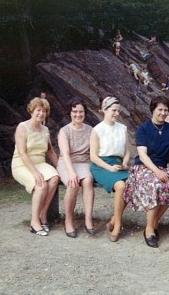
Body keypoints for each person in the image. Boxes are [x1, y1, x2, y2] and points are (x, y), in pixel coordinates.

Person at [124, 96, 169, 248]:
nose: (163, 113)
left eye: (166, 110)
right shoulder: (143, 129)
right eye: (160, 109)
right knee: (155, 185)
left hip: (162, 167)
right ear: (153, 110)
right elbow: (142, 155)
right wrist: (156, 171)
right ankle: (149, 229)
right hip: (144, 167)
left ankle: (154, 222)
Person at [11, 97, 59, 236]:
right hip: (22, 163)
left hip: (40, 163)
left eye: (44, 111)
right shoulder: (22, 127)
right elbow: (22, 152)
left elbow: (50, 151)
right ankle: (34, 222)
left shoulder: (45, 130)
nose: (41, 113)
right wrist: (35, 173)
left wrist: (61, 168)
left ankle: (43, 215)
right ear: (31, 111)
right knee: (41, 184)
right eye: (38, 110)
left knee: (55, 178)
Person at [90, 96, 130, 242]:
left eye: (118, 111)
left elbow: (126, 152)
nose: (116, 114)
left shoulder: (122, 129)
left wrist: (125, 163)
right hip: (101, 165)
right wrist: (109, 167)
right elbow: (93, 156)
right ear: (104, 110)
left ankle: (113, 219)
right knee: (121, 186)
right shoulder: (97, 130)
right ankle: (118, 224)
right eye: (113, 110)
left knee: (133, 183)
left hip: (118, 164)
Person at [57, 100, 94, 238]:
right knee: (73, 184)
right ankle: (68, 221)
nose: (78, 114)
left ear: (84, 113)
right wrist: (71, 172)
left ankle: (88, 219)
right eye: (75, 112)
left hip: (84, 162)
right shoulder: (64, 131)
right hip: (67, 163)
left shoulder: (90, 130)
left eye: (81, 112)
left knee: (88, 180)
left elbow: (94, 151)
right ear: (70, 113)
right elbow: (65, 154)